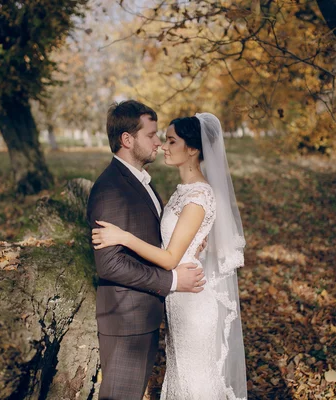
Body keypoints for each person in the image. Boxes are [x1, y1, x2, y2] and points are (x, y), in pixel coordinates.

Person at [92, 112, 247, 399]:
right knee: (181, 377)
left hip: (192, 301)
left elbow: (170, 258)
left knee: (196, 381)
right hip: (176, 300)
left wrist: (123, 237)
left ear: (192, 149)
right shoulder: (181, 191)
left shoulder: (198, 195)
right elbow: (175, 237)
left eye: (171, 140)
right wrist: (200, 243)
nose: (163, 145)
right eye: (158, 137)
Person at [86, 100, 207, 400]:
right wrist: (173, 281)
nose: (158, 142)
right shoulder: (110, 188)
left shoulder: (142, 182)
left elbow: (155, 239)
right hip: (126, 320)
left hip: (146, 315)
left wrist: (193, 243)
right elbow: (110, 265)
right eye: (151, 135)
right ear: (127, 140)